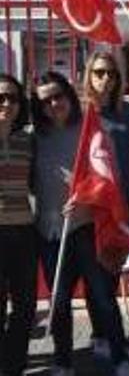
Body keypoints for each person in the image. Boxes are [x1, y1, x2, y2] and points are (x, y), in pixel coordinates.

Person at [32, 72, 129, 376]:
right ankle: (63, 361)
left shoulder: (91, 131)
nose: (53, 104)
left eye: (58, 96)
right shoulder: (35, 137)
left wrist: (86, 196)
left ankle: (120, 358)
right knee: (60, 302)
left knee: (103, 297)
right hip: (51, 232)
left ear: (68, 95)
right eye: (45, 101)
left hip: (88, 228)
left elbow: (109, 179)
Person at [82, 50, 129, 360]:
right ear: (89, 76)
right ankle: (106, 337)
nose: (105, 78)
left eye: (110, 73)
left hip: (128, 203)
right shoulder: (81, 115)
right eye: (99, 72)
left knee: (112, 272)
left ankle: (107, 335)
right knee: (98, 275)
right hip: (96, 208)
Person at [0, 74, 37, 376]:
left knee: (25, 307)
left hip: (24, 231)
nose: (6, 103)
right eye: (0, 97)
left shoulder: (28, 139)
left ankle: (14, 365)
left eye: (12, 98)